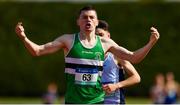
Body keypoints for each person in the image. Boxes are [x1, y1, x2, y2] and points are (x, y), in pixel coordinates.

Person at [15, 5, 160, 104]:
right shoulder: (68, 40)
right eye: (84, 17)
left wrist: (151, 43)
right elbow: (38, 51)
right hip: (73, 101)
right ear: (78, 21)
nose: (88, 20)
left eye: (91, 17)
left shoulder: (105, 44)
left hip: (97, 101)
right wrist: (23, 38)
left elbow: (134, 57)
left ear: (96, 22)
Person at [96, 20, 141, 104]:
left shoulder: (116, 55)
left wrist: (116, 85)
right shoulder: (90, 56)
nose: (99, 39)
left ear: (108, 36)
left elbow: (136, 77)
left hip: (115, 102)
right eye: (96, 36)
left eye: (101, 35)